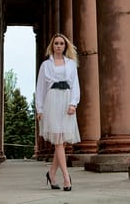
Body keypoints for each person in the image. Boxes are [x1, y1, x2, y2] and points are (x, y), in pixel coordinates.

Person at [36, 33, 81, 191]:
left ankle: (51, 174)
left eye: (62, 43)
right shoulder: (45, 65)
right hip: (52, 102)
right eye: (56, 43)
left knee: (60, 142)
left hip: (66, 101)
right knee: (59, 141)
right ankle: (67, 178)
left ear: (65, 46)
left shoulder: (71, 64)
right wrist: (39, 109)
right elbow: (40, 88)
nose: (59, 46)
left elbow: (75, 85)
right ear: (52, 46)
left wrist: (73, 103)